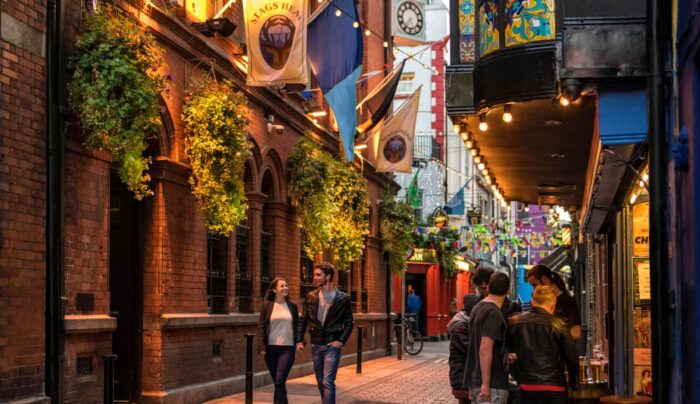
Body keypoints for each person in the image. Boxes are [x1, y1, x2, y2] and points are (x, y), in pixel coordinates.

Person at [507, 286, 579, 404]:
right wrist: (574, 382)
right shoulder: (560, 324)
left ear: (532, 302)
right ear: (553, 304)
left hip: (524, 387)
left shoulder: (515, 322)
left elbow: (506, 351)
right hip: (554, 387)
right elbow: (571, 356)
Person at [297, 262, 354, 404]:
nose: (314, 277)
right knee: (320, 381)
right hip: (316, 345)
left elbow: (349, 322)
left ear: (327, 277)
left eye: (318, 275)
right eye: (315, 275)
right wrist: (299, 340)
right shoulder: (310, 297)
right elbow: (303, 320)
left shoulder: (343, 298)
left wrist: (340, 341)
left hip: (331, 345)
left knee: (328, 381)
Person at [465, 271, 511, 404]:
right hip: (491, 385)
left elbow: (474, 344)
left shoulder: (477, 307)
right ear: (507, 290)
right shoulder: (493, 313)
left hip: (475, 380)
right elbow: (485, 348)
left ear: (489, 287)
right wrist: (485, 384)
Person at [257, 277, 299, 404]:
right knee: (278, 383)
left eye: (286, 285)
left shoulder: (292, 306)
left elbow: (297, 326)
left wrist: (300, 341)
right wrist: (262, 347)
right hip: (271, 349)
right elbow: (261, 326)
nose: (285, 288)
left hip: (287, 349)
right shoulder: (266, 305)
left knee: (280, 380)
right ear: (274, 290)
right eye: (282, 286)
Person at [527, 264, 582, 340]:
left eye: (535, 285)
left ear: (544, 279)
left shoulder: (568, 302)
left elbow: (576, 332)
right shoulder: (536, 297)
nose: (534, 289)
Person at [448, 294, 481, 403]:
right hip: (462, 378)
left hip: (467, 377)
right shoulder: (461, 327)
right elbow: (472, 350)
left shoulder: (468, 323)